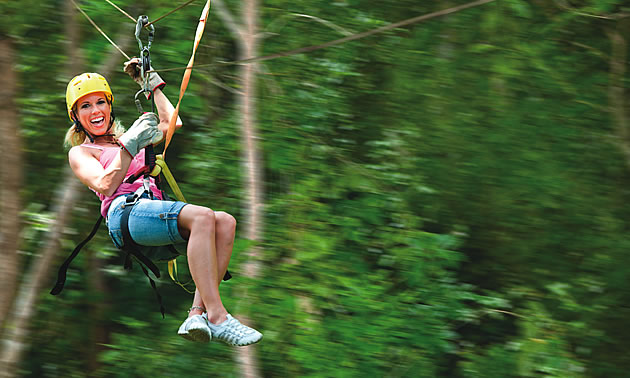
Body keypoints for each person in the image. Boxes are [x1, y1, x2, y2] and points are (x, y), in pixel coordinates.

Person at [64, 59, 262, 347]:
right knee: (204, 217)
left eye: (100, 102)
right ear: (76, 116)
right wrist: (130, 144)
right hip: (126, 214)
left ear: (110, 105)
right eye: (85, 106)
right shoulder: (82, 153)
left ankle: (197, 314)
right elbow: (106, 184)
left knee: (225, 222)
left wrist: (151, 83)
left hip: (152, 210)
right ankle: (218, 317)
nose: (95, 110)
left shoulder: (131, 137)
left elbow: (172, 122)